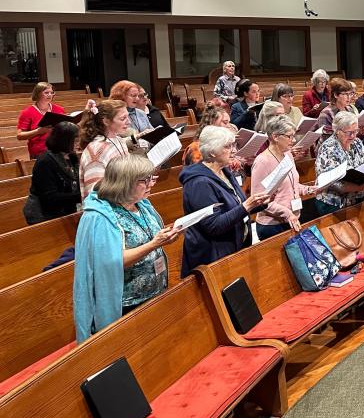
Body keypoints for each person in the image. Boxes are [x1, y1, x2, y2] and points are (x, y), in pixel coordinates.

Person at [73, 156, 182, 342]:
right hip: (128, 303)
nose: (151, 184)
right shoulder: (100, 216)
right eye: (145, 180)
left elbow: (149, 236)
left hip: (155, 292)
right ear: (125, 182)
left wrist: (167, 236)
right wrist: (154, 243)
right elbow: (112, 261)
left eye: (151, 178)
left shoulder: (141, 204)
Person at [180, 126, 271, 276]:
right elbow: (214, 226)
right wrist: (246, 205)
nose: (234, 150)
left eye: (234, 145)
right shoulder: (199, 183)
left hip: (235, 248)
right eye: (228, 146)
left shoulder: (223, 171)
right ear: (212, 152)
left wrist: (260, 203)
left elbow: (235, 206)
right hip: (213, 257)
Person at [251, 115, 319, 239]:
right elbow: (258, 200)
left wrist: (310, 189)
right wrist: (287, 213)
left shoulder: (287, 154)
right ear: (275, 136)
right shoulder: (262, 161)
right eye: (289, 136)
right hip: (272, 226)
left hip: (292, 218)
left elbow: (292, 185)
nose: (293, 140)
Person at [314, 111, 364, 215]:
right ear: (337, 131)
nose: (353, 136)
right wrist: (360, 187)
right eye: (349, 132)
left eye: (355, 131)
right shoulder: (328, 148)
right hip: (334, 203)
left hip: (359, 197)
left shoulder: (357, 143)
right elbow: (333, 183)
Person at [23, 121, 81, 224]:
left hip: (65, 211)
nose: (79, 144)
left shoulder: (71, 157)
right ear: (64, 141)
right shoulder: (45, 161)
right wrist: (80, 196)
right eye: (75, 141)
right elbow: (50, 198)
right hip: (45, 215)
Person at [17, 81, 94, 158]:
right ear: (37, 93)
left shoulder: (59, 109)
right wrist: (39, 131)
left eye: (52, 92)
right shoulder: (27, 112)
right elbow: (20, 136)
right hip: (40, 152)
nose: (50, 95)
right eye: (46, 93)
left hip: (60, 149)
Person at [79, 100, 132, 198]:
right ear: (106, 121)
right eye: (123, 118)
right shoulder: (96, 151)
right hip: (106, 210)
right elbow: (95, 193)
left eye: (127, 117)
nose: (129, 122)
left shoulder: (118, 140)